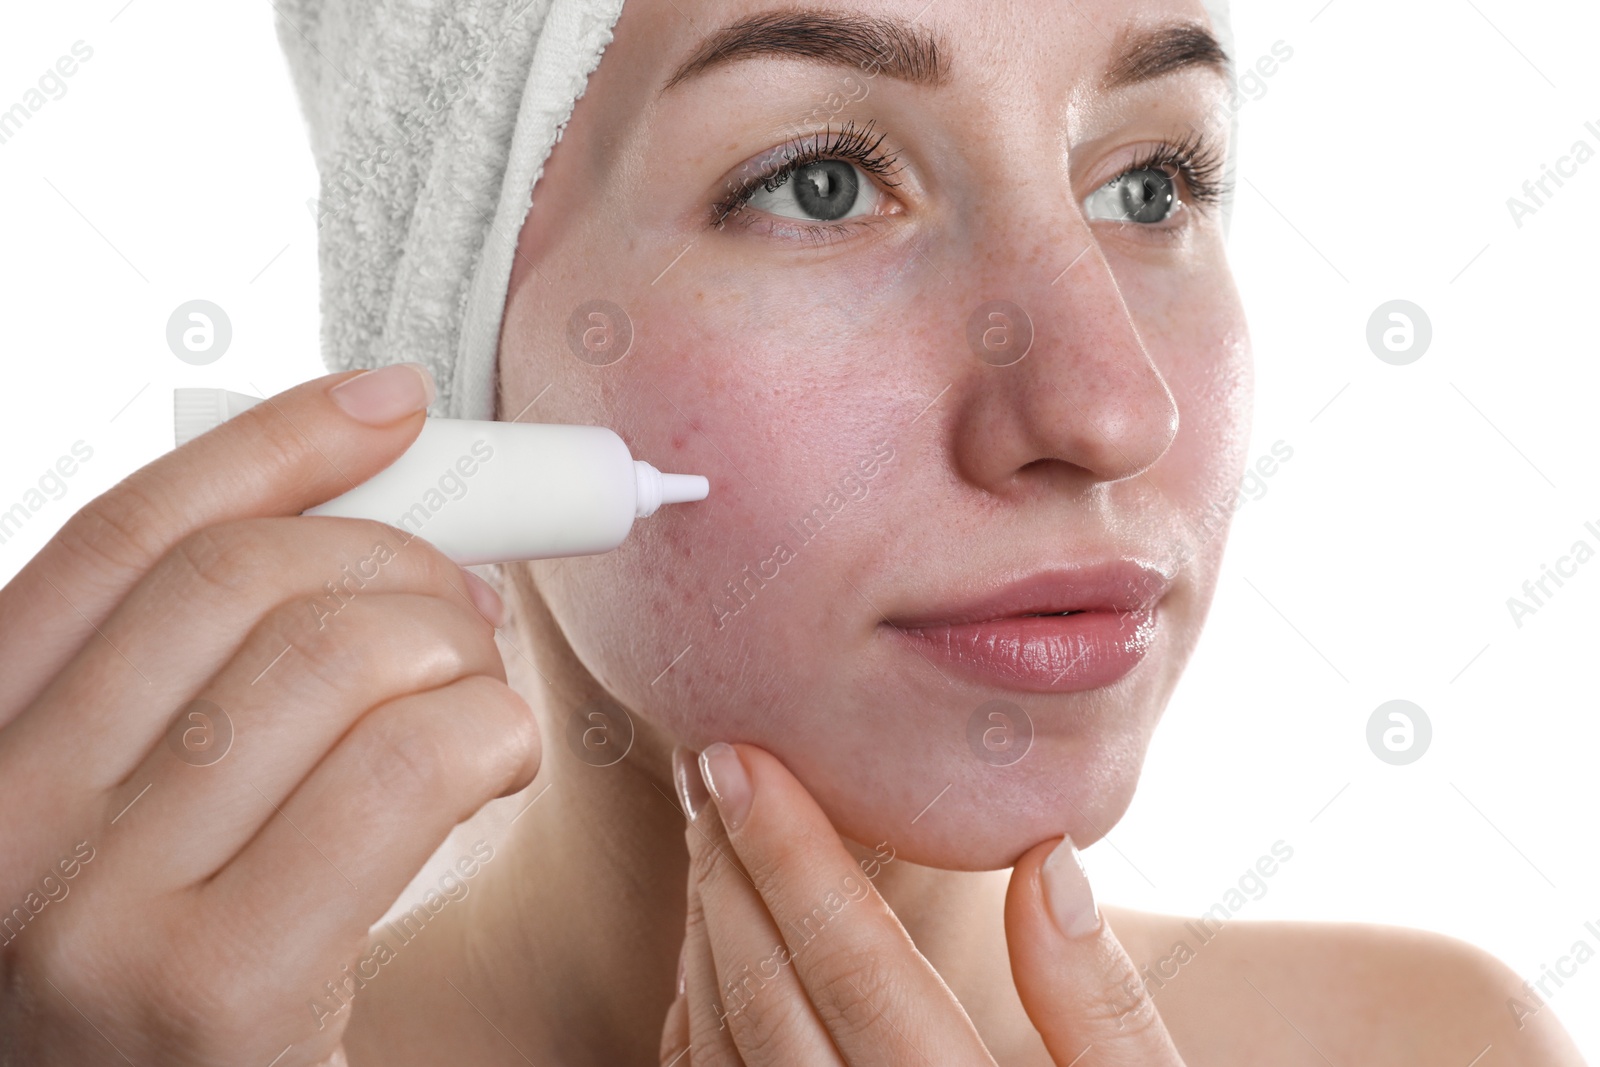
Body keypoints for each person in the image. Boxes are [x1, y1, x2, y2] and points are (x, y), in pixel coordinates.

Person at [0, 0, 1584, 1063]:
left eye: (1152, 183)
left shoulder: (1432, 1041)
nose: (1110, 411)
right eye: (824, 185)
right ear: (457, 347)